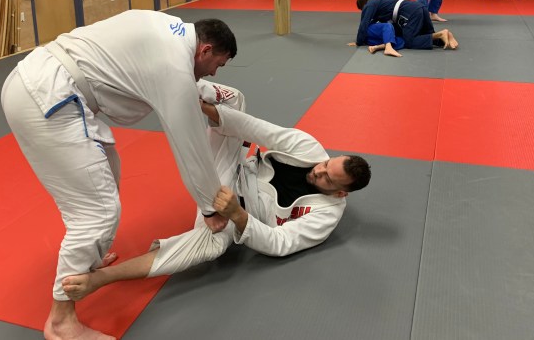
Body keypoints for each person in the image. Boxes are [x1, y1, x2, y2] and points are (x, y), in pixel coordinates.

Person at [0, 11, 237, 340]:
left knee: (108, 170)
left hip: (40, 82)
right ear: (205, 50)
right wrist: (211, 208)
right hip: (47, 97)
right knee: (96, 212)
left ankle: (88, 260)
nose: (213, 72)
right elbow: (190, 143)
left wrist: (215, 95)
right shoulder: (173, 64)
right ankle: (61, 320)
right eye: (217, 65)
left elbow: (186, 85)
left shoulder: (169, 32)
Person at [59, 82, 372, 301]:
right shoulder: (310, 149)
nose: (318, 170)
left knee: (213, 246)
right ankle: (170, 87)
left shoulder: (325, 216)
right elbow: (256, 128)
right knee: (234, 101)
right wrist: (202, 108)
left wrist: (238, 214)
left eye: (328, 179)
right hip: (230, 170)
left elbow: (280, 243)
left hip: (232, 213)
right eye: (326, 164)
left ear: (341, 194)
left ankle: (102, 278)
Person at [352, 0, 458, 51]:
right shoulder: (380, 3)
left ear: (363, 6)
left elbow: (364, 24)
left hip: (409, 12)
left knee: (409, 41)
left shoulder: (369, 4)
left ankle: (441, 34)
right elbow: (377, 21)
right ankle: (445, 38)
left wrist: (359, 42)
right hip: (419, 8)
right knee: (425, 34)